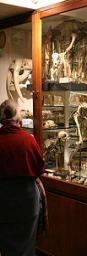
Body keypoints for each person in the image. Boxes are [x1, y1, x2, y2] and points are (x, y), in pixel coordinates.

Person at [0, 99, 45, 256]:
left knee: (6, 243)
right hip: (26, 197)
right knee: (27, 243)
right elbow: (40, 168)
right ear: (17, 118)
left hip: (3, 199)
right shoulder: (28, 140)